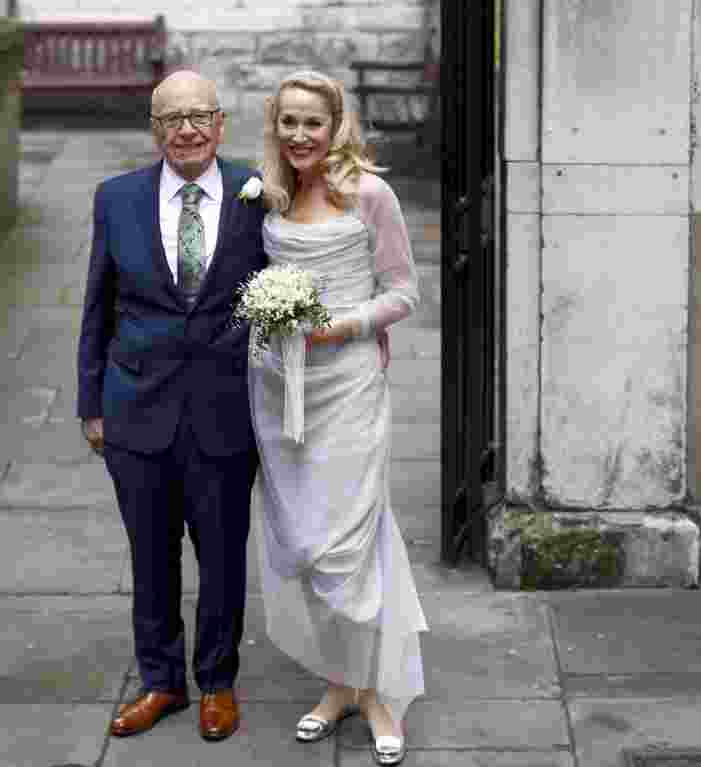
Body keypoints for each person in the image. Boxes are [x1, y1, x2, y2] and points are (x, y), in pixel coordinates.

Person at [77, 71, 269, 741]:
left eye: (199, 116)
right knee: (149, 555)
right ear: (154, 130)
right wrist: (90, 402)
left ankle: (216, 679)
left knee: (222, 554)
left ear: (220, 124)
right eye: (171, 119)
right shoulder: (117, 198)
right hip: (137, 408)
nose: (186, 129)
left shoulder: (257, 193)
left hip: (224, 409)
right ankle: (161, 681)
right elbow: (96, 306)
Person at [248, 70, 429, 766]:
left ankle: (379, 692)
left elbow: (405, 291)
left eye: (312, 123)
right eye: (287, 122)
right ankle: (339, 684)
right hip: (277, 391)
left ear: (336, 125)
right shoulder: (271, 193)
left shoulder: (370, 194)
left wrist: (343, 326)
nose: (299, 136)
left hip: (348, 388)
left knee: (349, 541)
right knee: (303, 542)